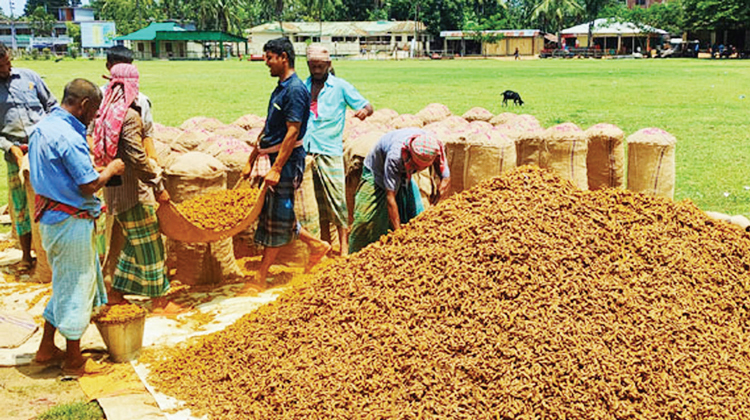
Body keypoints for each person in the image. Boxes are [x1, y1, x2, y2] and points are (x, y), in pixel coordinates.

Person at [30, 78, 125, 377]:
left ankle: (46, 347)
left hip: (53, 217)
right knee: (77, 289)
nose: (95, 116)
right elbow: (87, 186)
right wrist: (110, 171)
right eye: (94, 111)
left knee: (64, 284)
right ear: (84, 105)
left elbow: (61, 173)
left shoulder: (43, 127)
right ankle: (74, 359)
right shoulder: (69, 137)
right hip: (70, 221)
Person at [241, 37, 330, 290]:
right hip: (271, 157)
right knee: (279, 215)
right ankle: (318, 245)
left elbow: (292, 132)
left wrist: (277, 168)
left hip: (286, 161)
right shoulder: (281, 87)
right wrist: (251, 161)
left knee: (277, 217)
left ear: (283, 57)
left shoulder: (294, 90)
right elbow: (269, 127)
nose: (266, 63)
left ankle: (261, 274)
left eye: (269, 57)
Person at [92, 63, 171, 307]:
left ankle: (117, 292)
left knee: (132, 241)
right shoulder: (128, 115)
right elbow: (137, 158)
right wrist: (158, 184)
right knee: (149, 242)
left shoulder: (106, 112)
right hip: (133, 191)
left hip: (114, 189)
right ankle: (160, 300)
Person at [304, 44, 373, 257]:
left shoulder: (340, 87)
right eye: (313, 66)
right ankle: (324, 245)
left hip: (330, 150)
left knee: (337, 200)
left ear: (328, 65)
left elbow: (368, 105)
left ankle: (343, 247)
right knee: (316, 202)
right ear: (308, 65)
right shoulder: (302, 86)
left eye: (320, 66)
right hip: (306, 151)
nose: (317, 70)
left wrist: (363, 112)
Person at [0, 42, 58, 273]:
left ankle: (51, 251)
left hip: (44, 149)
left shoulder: (29, 77)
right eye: (1, 67)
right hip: (16, 152)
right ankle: (27, 254)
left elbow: (52, 105)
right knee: (21, 205)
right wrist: (8, 147)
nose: (6, 69)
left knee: (52, 200)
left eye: (8, 63)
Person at [349, 128, 450, 254]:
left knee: (417, 216)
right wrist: (399, 235)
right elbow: (390, 197)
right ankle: (353, 256)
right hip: (377, 172)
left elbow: (445, 178)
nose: (419, 170)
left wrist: (436, 201)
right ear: (411, 156)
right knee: (364, 220)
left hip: (404, 175)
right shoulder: (395, 156)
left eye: (423, 168)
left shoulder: (435, 146)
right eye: (417, 166)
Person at [102, 46, 157, 160]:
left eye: (127, 66)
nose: (123, 71)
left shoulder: (141, 100)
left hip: (132, 157)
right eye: (118, 66)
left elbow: (146, 134)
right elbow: (89, 134)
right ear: (108, 66)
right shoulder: (99, 96)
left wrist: (152, 159)